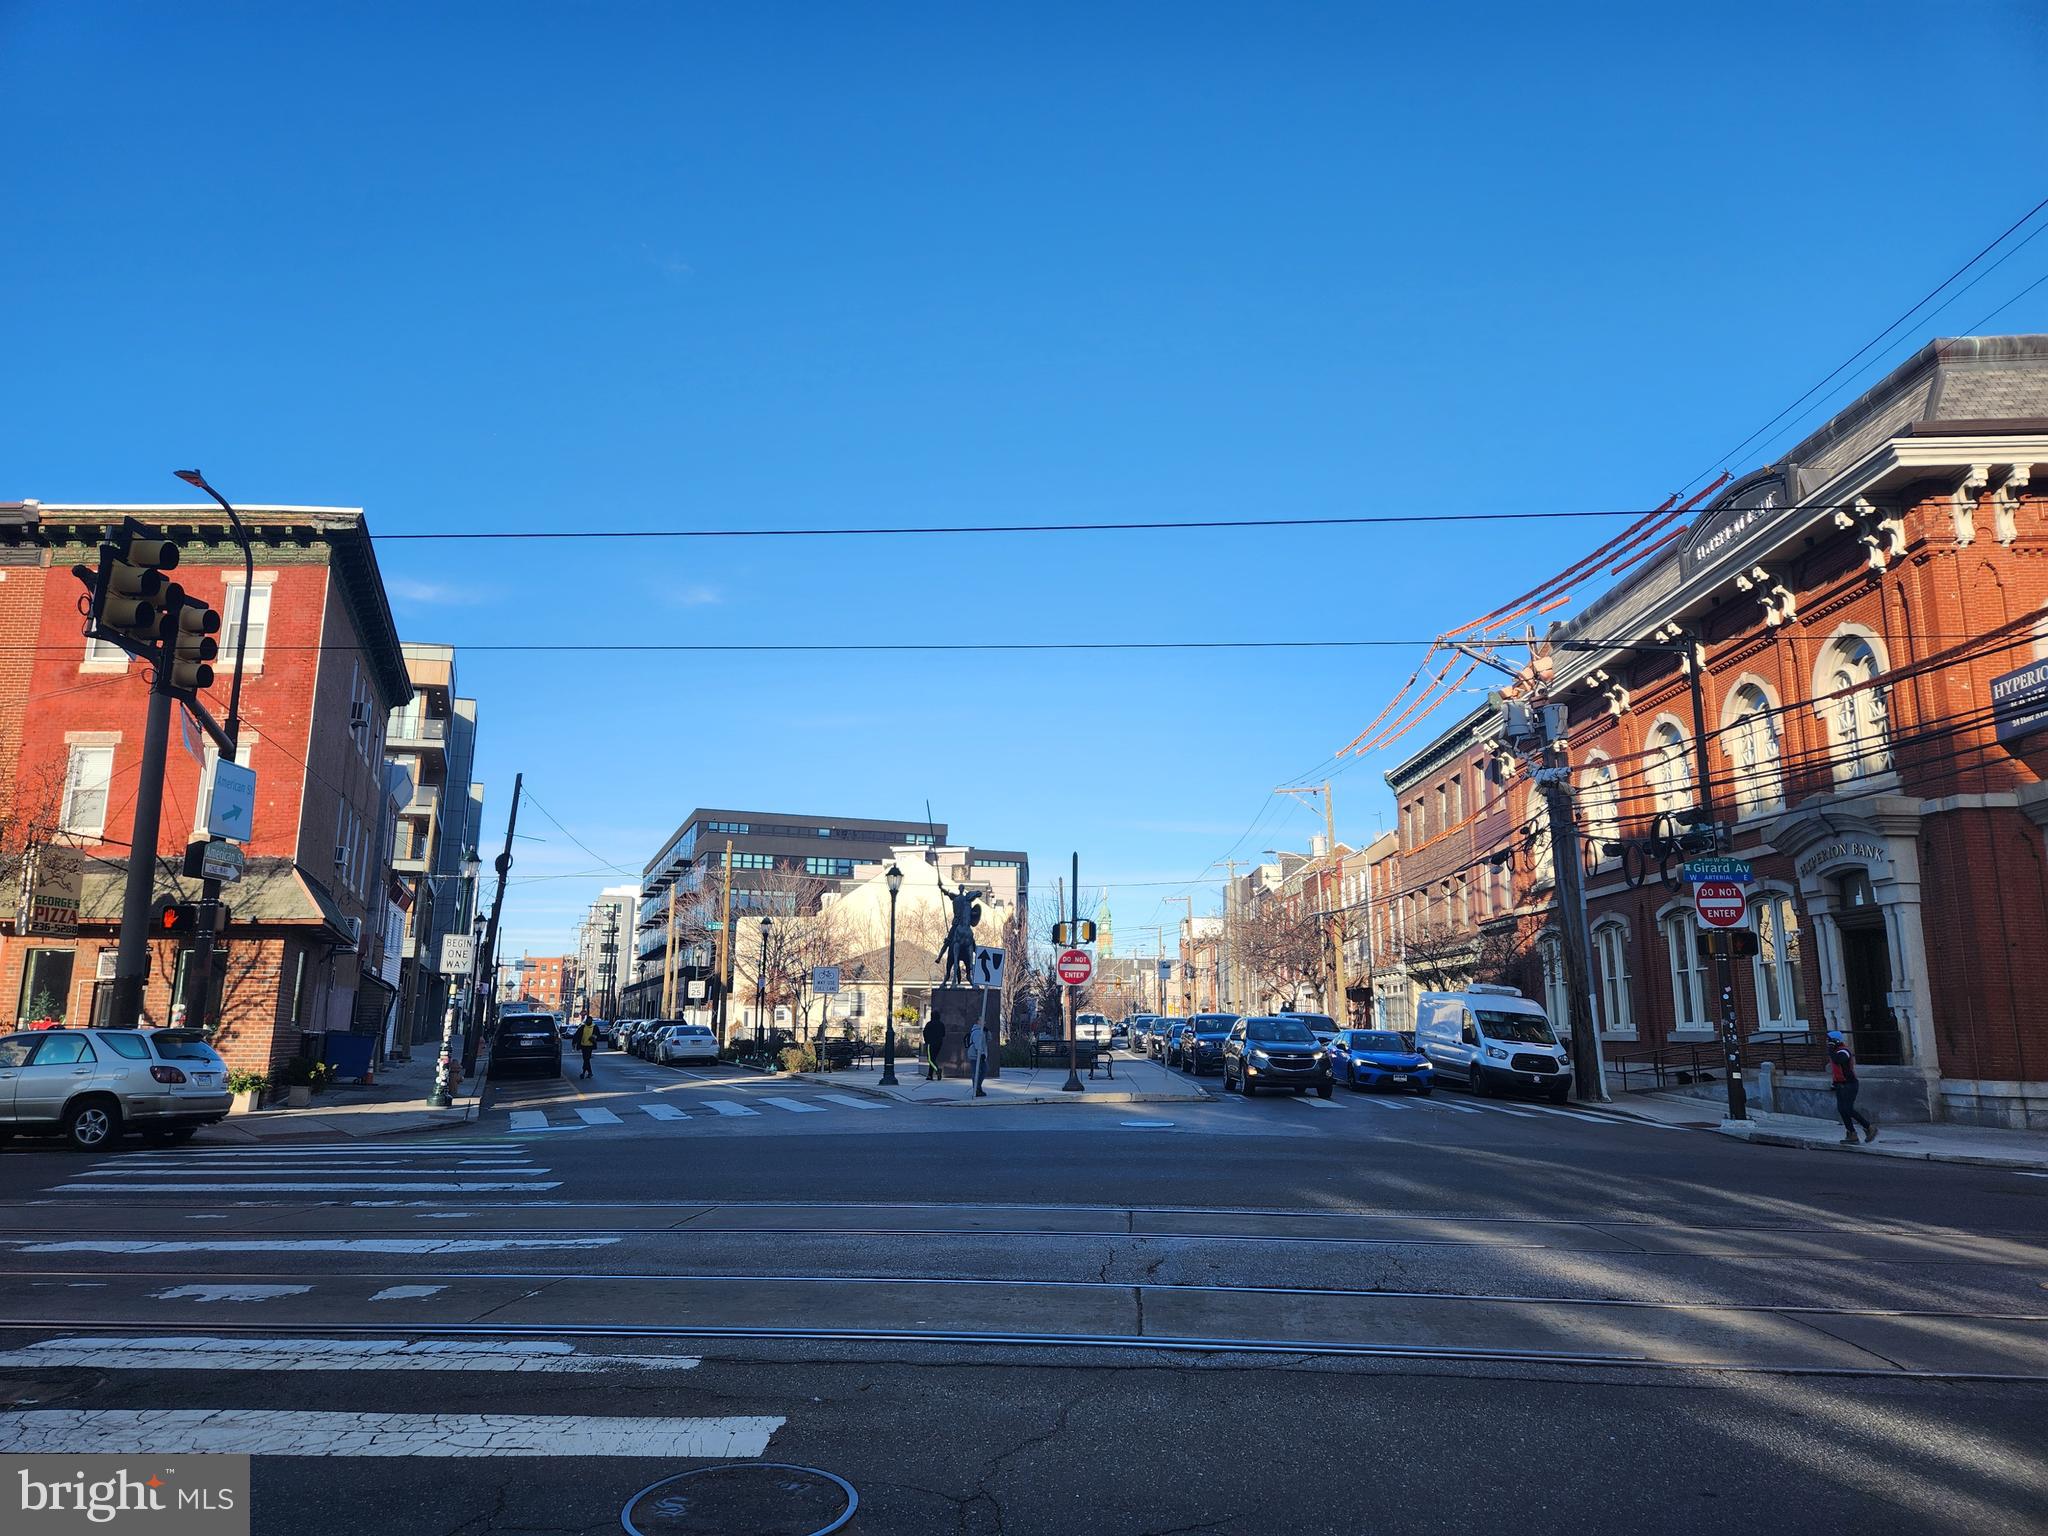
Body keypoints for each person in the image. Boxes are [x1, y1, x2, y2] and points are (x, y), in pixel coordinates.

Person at [1827, 1029, 1877, 1144]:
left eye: (1829, 1040)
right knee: (1842, 1110)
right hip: (1840, 1085)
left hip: (1849, 1084)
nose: (1827, 1043)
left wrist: (1831, 1049)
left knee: (1848, 1109)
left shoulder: (1844, 1051)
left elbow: (1838, 1060)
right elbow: (1836, 1070)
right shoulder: (1835, 1051)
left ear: (1835, 1041)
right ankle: (1851, 1133)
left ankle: (1869, 1127)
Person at [967, 1018, 990, 1098]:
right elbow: (978, 1044)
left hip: (979, 1055)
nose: (985, 1022)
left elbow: (989, 1039)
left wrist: (987, 1032)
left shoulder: (982, 1031)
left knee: (983, 1070)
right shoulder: (977, 1031)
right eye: (983, 1020)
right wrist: (982, 1054)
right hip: (975, 1056)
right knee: (977, 1072)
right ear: (978, 1022)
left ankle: (978, 1088)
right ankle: (976, 1089)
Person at [922, 1013, 944, 1081]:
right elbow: (943, 1034)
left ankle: (937, 1070)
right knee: (933, 1059)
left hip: (930, 1043)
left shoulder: (929, 1024)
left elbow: (924, 1032)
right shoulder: (941, 1024)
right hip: (939, 1044)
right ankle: (930, 1075)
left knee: (930, 1059)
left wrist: (927, 1041)